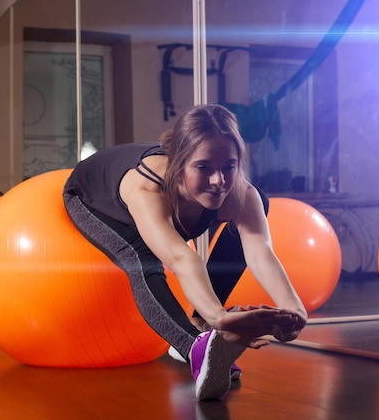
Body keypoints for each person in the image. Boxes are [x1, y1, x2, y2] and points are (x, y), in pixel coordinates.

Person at [63, 104, 307, 400]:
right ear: (179, 164)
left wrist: (294, 311)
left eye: (229, 167)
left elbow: (260, 253)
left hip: (166, 197)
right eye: (204, 167)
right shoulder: (147, 190)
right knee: (142, 260)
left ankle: (199, 323)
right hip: (90, 196)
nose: (219, 181)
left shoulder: (237, 191)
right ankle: (195, 347)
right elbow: (180, 258)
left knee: (256, 204)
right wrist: (220, 318)